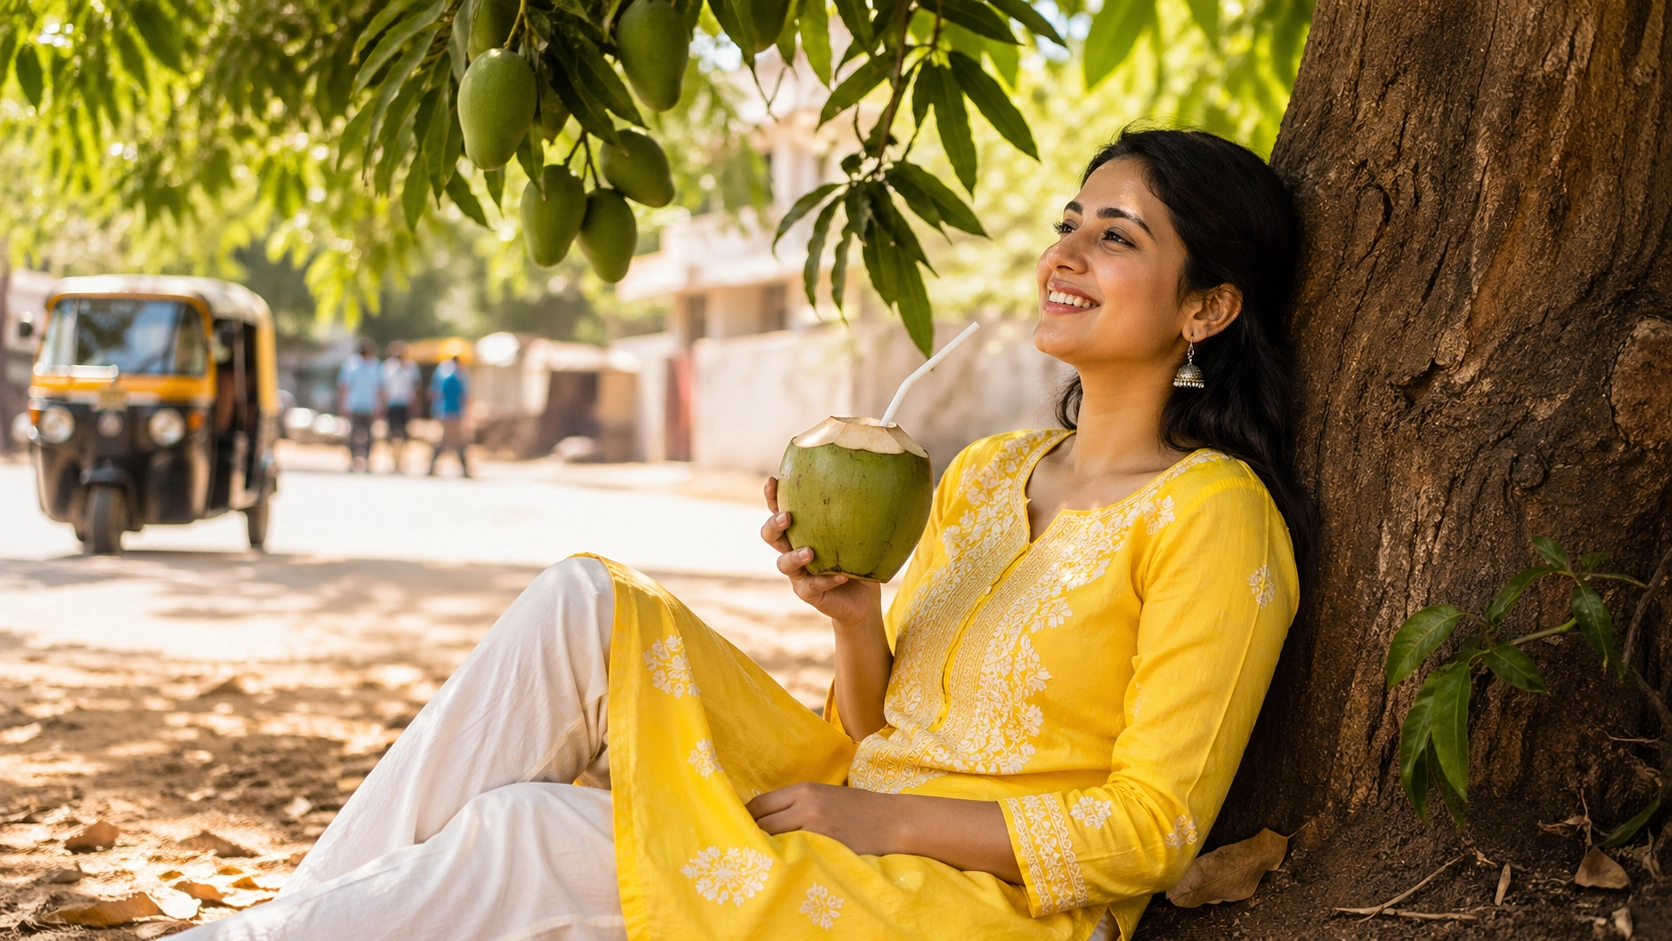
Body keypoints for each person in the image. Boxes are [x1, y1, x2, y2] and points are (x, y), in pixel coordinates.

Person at [178, 129, 1313, 941]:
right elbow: (872, 728)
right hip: (848, 801)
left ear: (1205, 306)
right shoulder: (986, 471)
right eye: (1069, 221)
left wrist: (882, 816)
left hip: (981, 903)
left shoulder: (1213, 517)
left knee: (525, 831)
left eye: (1114, 236)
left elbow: (1151, 829)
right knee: (584, 598)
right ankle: (290, 921)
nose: (1063, 252)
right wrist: (857, 620)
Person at [337, 339, 382, 473]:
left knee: (365, 435)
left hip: (364, 405)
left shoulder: (372, 365)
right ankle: (354, 462)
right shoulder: (355, 364)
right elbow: (345, 386)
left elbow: (344, 387)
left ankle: (364, 462)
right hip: (358, 405)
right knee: (355, 435)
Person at [381, 341, 422, 473]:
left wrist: (416, 403)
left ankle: (403, 461)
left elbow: (416, 387)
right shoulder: (387, 366)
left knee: (405, 434)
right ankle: (394, 460)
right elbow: (383, 388)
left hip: (406, 404)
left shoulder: (412, 367)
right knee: (392, 433)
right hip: (392, 404)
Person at [427, 354, 471, 477]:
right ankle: (463, 469)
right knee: (454, 441)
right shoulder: (455, 379)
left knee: (450, 441)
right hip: (452, 413)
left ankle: (432, 467)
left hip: (447, 412)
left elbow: (436, 395)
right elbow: (462, 397)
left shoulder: (447, 377)